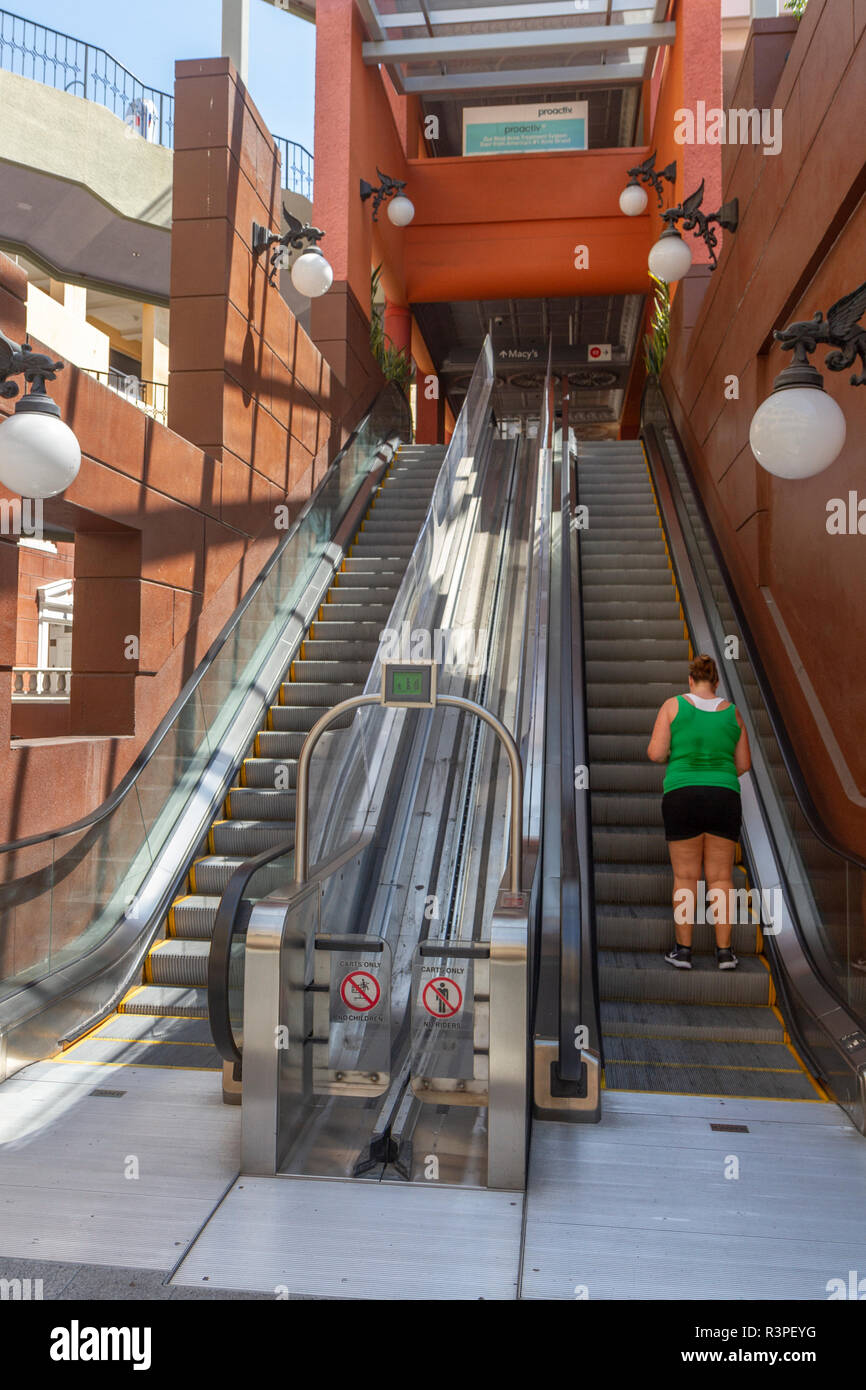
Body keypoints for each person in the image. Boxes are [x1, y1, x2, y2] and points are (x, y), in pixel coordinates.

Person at [647, 654, 752, 970]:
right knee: (721, 877)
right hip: (723, 796)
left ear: (691, 681)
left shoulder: (673, 706)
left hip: (683, 795)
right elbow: (744, 764)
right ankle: (725, 953)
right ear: (716, 682)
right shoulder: (733, 713)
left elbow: (655, 753)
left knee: (685, 877)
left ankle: (683, 951)